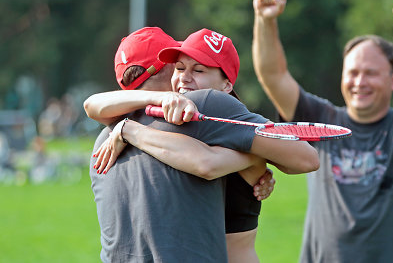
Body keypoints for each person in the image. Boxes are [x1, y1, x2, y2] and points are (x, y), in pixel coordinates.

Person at [85, 27, 319, 262]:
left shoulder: (101, 142)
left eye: (197, 68)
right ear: (164, 68)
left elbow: (92, 105)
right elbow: (306, 158)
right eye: (179, 66)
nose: (184, 76)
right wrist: (254, 156)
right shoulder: (202, 104)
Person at [252, 0, 393, 262]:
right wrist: (265, 19)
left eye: (370, 73)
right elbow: (273, 76)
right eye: (353, 72)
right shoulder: (320, 121)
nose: (359, 82)